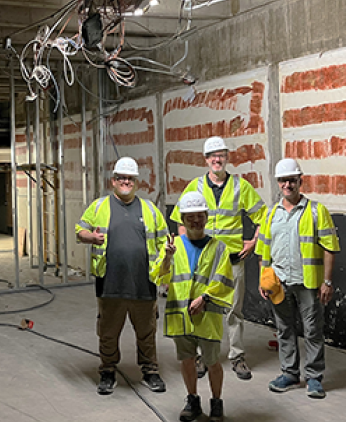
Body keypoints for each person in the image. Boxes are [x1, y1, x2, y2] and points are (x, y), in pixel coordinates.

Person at [170, 136, 266, 380]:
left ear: (227, 157)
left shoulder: (240, 186)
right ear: (206, 160)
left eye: (221, 155)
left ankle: (237, 356)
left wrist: (253, 242)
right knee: (204, 311)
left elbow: (263, 216)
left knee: (235, 310)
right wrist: (188, 251)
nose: (217, 159)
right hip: (205, 263)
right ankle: (204, 356)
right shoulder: (195, 186)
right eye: (212, 156)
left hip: (233, 260)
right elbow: (180, 220)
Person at [75, 156, 168, 395]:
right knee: (108, 333)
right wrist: (91, 237)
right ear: (113, 181)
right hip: (110, 284)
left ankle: (150, 370)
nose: (126, 181)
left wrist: (165, 269)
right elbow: (79, 230)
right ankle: (107, 370)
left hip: (144, 283)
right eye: (121, 178)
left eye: (130, 178)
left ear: (136, 182)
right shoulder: (99, 207)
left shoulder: (149, 209)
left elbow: (163, 241)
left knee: (147, 332)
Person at [256, 158, 340, 399]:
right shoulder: (271, 213)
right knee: (284, 329)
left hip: (308, 284)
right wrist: (264, 279)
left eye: (292, 180)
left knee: (313, 330)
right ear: (278, 183)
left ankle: (314, 378)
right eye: (283, 180)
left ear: (299, 181)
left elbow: (329, 247)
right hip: (279, 282)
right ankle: (290, 374)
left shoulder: (316, 211)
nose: (287, 184)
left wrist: (327, 282)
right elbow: (264, 250)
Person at [154, 191, 234, 422]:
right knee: (187, 359)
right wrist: (167, 258)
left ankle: (216, 403)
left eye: (199, 216)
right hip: (180, 315)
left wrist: (205, 298)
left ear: (206, 217)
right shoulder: (172, 246)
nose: (196, 220)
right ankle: (192, 401)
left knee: (212, 361)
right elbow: (159, 277)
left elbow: (224, 280)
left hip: (207, 316)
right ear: (182, 219)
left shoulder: (219, 247)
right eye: (190, 217)